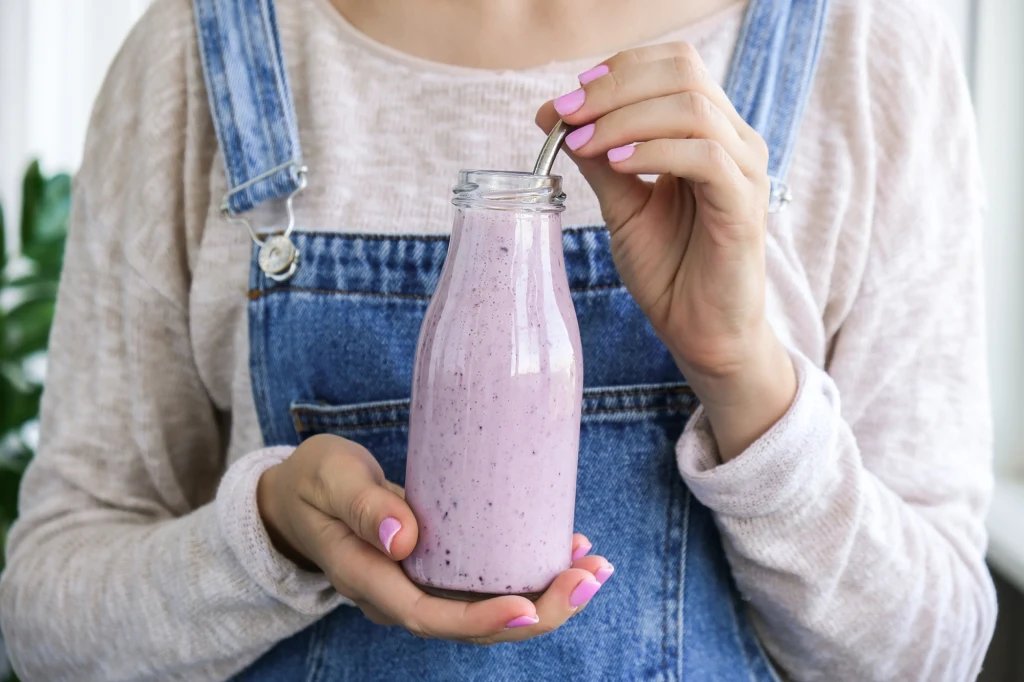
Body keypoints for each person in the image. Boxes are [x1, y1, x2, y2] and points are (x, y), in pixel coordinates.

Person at [0, 0, 996, 679]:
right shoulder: (204, 50)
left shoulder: (861, 54)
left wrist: (743, 372)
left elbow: (932, 651)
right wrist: (265, 532)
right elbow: (47, 621)